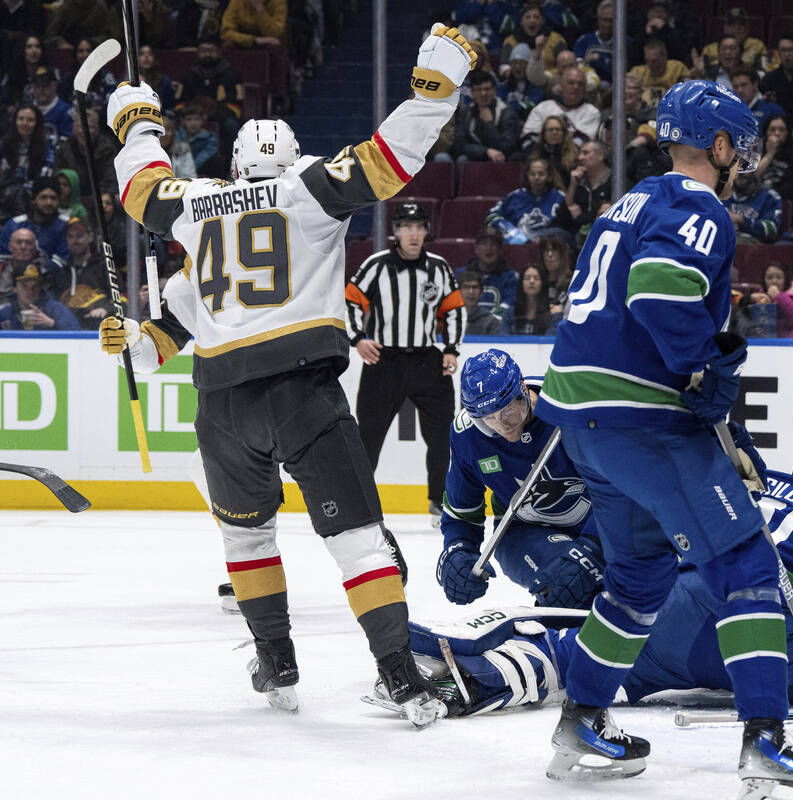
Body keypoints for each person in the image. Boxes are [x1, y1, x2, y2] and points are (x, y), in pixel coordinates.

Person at [97, 23, 478, 723]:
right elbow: (388, 158)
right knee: (359, 542)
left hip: (221, 408)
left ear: (235, 165)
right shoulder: (306, 189)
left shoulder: (195, 204)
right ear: (293, 157)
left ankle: (275, 662)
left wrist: (136, 122)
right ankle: (399, 674)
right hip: (302, 388)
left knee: (245, 537)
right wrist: (434, 92)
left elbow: (144, 201)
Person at [534, 78, 793, 795]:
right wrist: (704, 371)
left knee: (639, 579)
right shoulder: (697, 205)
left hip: (583, 421)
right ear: (716, 143)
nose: (740, 155)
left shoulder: (629, 201)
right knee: (745, 567)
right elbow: (656, 290)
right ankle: (766, 739)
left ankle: (581, 718)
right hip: (645, 422)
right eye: (736, 141)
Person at [406, 435, 793, 732]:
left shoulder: (761, 476)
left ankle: (477, 677)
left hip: (670, 606)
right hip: (750, 639)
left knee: (576, 654)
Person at [441, 346, 604, 611]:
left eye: (507, 412)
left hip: (604, 525)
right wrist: (457, 551)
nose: (502, 425)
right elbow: (462, 513)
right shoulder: (467, 435)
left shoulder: (570, 408)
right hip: (523, 531)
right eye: (488, 420)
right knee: (565, 583)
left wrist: (593, 547)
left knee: (624, 589)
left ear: (523, 391)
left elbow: (622, 492)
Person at [345, 202, 463, 521]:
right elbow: (351, 300)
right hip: (386, 361)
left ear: (427, 232)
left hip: (428, 361)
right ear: (395, 232)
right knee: (368, 435)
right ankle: (359, 504)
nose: (413, 233)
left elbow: (452, 308)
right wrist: (358, 338)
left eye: (419, 227)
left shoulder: (438, 267)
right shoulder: (377, 264)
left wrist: (451, 348)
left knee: (442, 436)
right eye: (406, 227)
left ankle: (439, 500)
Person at [174, 34, 244, 154]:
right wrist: (192, 114)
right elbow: (179, 103)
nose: (207, 55)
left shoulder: (232, 73)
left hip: (221, 116)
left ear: (219, 51)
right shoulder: (188, 74)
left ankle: (232, 161)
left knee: (231, 125)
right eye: (203, 51)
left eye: (211, 51)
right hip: (191, 116)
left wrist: (211, 115)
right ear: (198, 52)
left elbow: (237, 106)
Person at [486, 157, 574, 244]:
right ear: (527, 176)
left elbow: (566, 227)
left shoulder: (559, 197)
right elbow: (491, 216)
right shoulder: (515, 196)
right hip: (518, 245)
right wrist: (512, 232)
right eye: (532, 174)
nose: (536, 178)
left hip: (549, 247)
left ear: (549, 177)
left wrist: (542, 237)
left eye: (541, 174)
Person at [452, 70, 521, 165]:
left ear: (494, 91)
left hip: (502, 159)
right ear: (472, 92)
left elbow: (508, 147)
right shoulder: (465, 113)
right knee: (462, 159)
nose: (483, 94)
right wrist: (486, 151)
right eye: (478, 90)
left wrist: (489, 124)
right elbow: (459, 145)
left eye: (487, 89)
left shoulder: (507, 113)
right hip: (474, 157)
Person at [522, 67, 601, 148]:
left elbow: (581, 143)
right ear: (561, 86)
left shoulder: (591, 112)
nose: (576, 87)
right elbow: (528, 139)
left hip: (573, 158)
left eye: (580, 84)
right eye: (571, 82)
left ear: (585, 89)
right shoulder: (543, 107)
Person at [1, 175, 69, 268]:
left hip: (52, 279)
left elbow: (61, 263)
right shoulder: (14, 225)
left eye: (53, 198)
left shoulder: (65, 226)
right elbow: (3, 261)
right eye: (43, 197)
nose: (48, 202)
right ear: (33, 199)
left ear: (59, 201)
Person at [55, 217, 113, 327]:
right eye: (70, 236)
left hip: (100, 329)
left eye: (79, 236)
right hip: (67, 332)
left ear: (90, 237)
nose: (75, 240)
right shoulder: (61, 272)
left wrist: (106, 309)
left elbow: (123, 298)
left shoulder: (104, 267)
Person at [0, 263, 80, 330]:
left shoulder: (55, 309)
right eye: (24, 286)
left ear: (40, 288)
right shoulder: (5, 314)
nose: (30, 291)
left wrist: (52, 324)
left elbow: (78, 336)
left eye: (34, 286)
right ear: (14, 289)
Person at [1, 104, 57, 194]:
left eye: (30, 120)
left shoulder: (46, 146)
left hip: (35, 193)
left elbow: (45, 176)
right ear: (15, 121)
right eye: (21, 119)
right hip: (6, 192)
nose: (25, 123)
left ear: (37, 123)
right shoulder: (4, 144)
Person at [746, 263, 793, 338]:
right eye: (769, 278)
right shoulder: (759, 297)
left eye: (779, 277)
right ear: (764, 280)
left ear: (786, 279)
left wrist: (780, 297)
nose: (774, 281)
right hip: (766, 343)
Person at [458, 228, 517, 314]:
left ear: (500, 250)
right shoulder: (460, 275)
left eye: (494, 244)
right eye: (484, 243)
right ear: (476, 248)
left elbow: (510, 304)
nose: (489, 248)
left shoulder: (510, 278)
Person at [565, 140, 611, 238]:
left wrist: (580, 217)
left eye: (586, 153)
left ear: (600, 156)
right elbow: (564, 214)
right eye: (580, 153)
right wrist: (573, 184)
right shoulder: (579, 181)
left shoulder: (615, 181)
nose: (580, 158)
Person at [701, 7, 767, 73]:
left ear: (747, 28)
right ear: (725, 28)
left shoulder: (757, 46)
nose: (736, 29)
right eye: (732, 25)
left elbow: (764, 71)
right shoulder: (709, 49)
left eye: (740, 25)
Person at [724, 171, 783, 244]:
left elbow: (772, 229)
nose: (741, 173)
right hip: (723, 237)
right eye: (738, 169)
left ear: (754, 171)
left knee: (731, 243)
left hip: (752, 243)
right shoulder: (722, 194)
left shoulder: (769, 196)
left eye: (746, 170)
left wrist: (741, 220)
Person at [502, 263, 559, 335]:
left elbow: (549, 342)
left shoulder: (552, 313)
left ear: (542, 283)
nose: (532, 281)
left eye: (536, 278)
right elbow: (504, 342)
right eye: (527, 278)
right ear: (521, 283)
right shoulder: (509, 314)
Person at [574, 0, 619, 87]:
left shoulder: (624, 43)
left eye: (611, 20)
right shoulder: (583, 41)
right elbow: (578, 66)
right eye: (605, 20)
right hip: (588, 86)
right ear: (598, 19)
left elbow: (622, 70)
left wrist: (599, 59)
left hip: (614, 88)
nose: (608, 24)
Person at [730, 66, 785, 136]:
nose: (739, 90)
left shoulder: (773, 111)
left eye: (744, 85)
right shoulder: (728, 112)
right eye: (735, 86)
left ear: (755, 85)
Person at [526, 115, 578, 185]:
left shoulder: (574, 156)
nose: (554, 132)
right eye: (550, 130)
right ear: (544, 134)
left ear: (564, 133)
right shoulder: (535, 154)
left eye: (558, 130)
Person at [0, 227, 47, 301]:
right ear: (10, 247)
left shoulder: (44, 273)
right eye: (18, 242)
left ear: (34, 248)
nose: (23, 247)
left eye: (28, 243)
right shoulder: (1, 270)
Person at [458, 269, 502, 335]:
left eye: (475, 287)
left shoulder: (491, 322)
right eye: (466, 287)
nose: (471, 292)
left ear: (481, 293)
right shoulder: (447, 319)